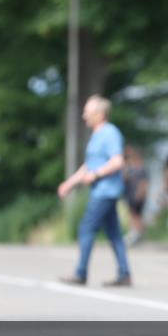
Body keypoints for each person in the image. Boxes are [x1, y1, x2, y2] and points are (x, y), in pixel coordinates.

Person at [58, 95, 132, 287]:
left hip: (106, 191)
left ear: (99, 114)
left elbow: (117, 161)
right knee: (114, 233)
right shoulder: (96, 135)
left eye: (87, 112)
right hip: (101, 190)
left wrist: (97, 175)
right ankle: (124, 274)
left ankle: (80, 273)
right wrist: (70, 183)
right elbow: (88, 166)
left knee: (86, 228)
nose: (84, 116)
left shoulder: (110, 133)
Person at [123, 146, 149, 246]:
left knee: (136, 215)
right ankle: (134, 233)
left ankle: (138, 234)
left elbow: (144, 183)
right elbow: (124, 178)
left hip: (138, 196)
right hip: (130, 195)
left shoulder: (141, 169)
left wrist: (140, 194)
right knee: (132, 215)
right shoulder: (130, 169)